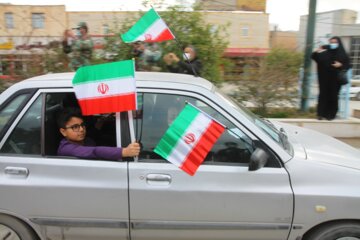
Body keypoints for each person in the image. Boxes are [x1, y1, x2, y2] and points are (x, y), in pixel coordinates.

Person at [57, 108, 140, 160]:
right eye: (75, 127)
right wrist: (125, 151)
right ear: (63, 132)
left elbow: (93, 135)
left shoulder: (85, 140)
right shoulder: (66, 148)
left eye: (82, 125)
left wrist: (101, 122)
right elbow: (94, 151)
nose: (82, 129)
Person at [311, 36, 350, 120]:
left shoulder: (343, 54)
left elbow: (348, 65)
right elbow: (314, 57)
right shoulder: (325, 53)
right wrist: (316, 52)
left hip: (336, 80)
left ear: (339, 43)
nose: (333, 44)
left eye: (335, 42)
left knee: (333, 96)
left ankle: (331, 115)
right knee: (323, 95)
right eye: (331, 42)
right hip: (324, 79)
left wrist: (341, 65)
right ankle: (320, 114)